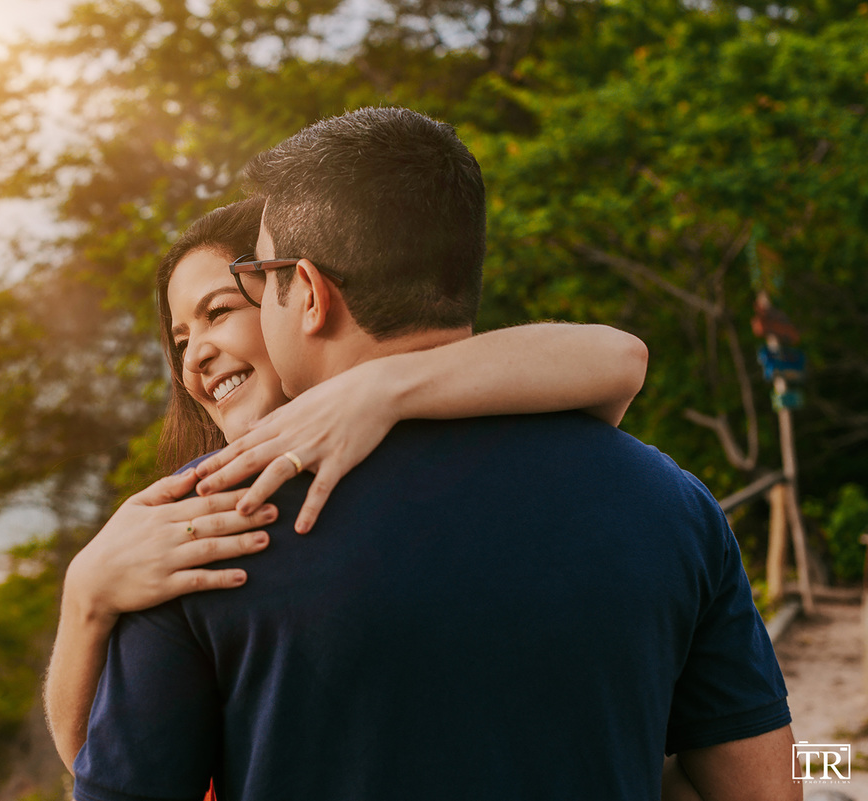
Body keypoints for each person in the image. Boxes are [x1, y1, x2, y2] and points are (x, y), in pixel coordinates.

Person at [69, 107, 797, 800]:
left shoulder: (202, 531)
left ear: (311, 294)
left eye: (255, 283)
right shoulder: (669, 501)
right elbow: (764, 785)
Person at [45, 196, 650, 776]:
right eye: (179, 341)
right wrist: (85, 598)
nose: (194, 356)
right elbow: (101, 766)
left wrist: (380, 388)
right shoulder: (185, 520)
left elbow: (619, 357)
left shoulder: (440, 435)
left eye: (218, 312)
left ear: (298, 296)